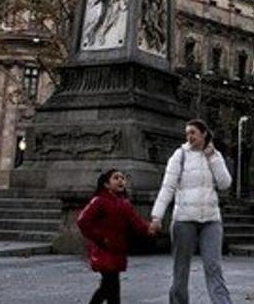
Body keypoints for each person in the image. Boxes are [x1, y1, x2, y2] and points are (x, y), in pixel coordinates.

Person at [150, 119, 233, 304]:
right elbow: (167, 188)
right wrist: (157, 217)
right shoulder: (179, 156)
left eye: (193, 132)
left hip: (211, 220)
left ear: (204, 134)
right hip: (184, 220)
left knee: (214, 267)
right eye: (187, 133)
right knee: (181, 269)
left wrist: (213, 158)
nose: (189, 137)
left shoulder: (215, 155)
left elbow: (225, 184)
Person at [77, 169, 155, 304]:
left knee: (109, 287)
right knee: (110, 286)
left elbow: (135, 221)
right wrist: (100, 238)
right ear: (106, 184)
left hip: (117, 250)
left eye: (122, 178)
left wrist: (148, 228)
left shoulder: (124, 203)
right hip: (104, 250)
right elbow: (83, 221)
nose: (120, 180)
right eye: (116, 178)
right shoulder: (99, 201)